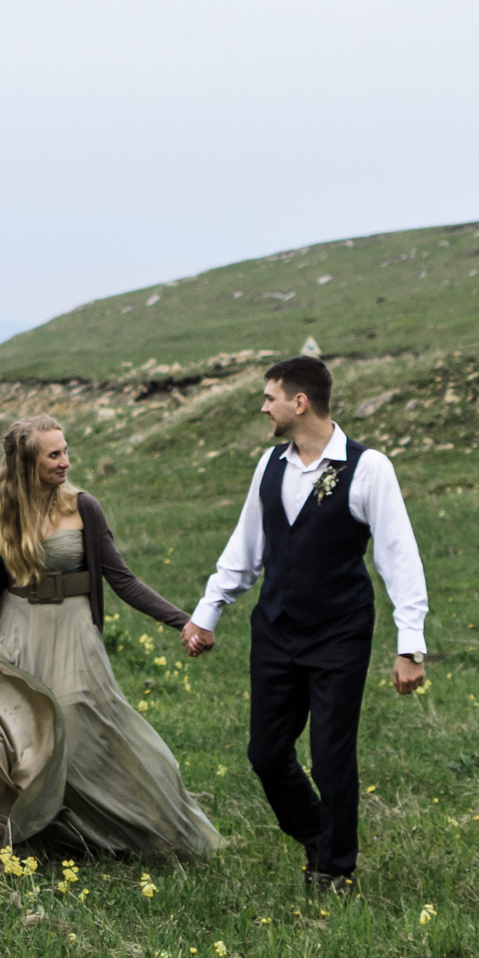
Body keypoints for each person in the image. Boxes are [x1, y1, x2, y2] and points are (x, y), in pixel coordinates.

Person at [0, 414, 222, 867]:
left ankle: (144, 825)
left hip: (74, 630)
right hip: (19, 632)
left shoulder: (83, 507)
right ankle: (24, 838)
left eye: (66, 451)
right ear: (26, 462)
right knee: (20, 734)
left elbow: (122, 579)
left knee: (79, 715)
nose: (66, 461)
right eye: (54, 454)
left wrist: (186, 622)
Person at [180, 355, 426, 894]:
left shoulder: (368, 468)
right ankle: (317, 832)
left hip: (340, 632)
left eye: (269, 397)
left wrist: (411, 645)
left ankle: (335, 870)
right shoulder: (270, 465)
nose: (263, 407)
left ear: (300, 402)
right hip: (275, 630)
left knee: (331, 754)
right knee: (266, 754)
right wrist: (207, 611)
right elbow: (246, 549)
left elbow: (398, 557)